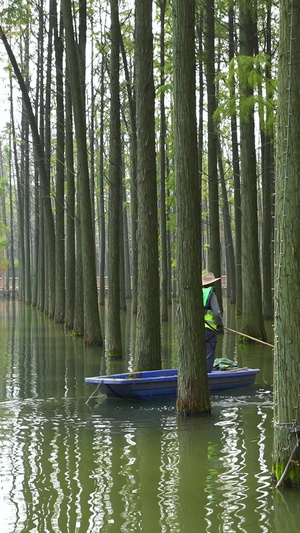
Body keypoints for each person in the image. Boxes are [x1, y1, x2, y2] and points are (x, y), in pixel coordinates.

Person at [202, 272, 224, 373]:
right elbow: (216, 313)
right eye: (213, 282)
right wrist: (220, 324)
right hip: (209, 329)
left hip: (197, 329)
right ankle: (207, 375)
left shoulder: (199, 293)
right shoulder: (211, 294)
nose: (215, 284)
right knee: (209, 354)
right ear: (211, 284)